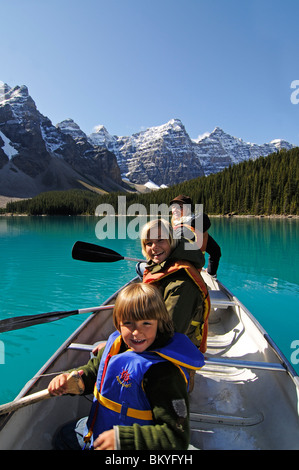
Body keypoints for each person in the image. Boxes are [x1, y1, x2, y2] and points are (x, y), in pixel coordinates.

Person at [48, 282, 205, 450]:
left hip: (135, 444)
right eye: (128, 323)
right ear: (118, 324)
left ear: (159, 323)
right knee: (64, 436)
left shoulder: (164, 373)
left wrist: (122, 439)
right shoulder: (115, 346)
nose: (137, 332)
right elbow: (93, 372)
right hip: (102, 431)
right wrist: (72, 380)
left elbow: (175, 438)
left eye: (146, 323)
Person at [139, 218, 210, 353]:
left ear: (172, 240)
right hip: (150, 340)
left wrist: (122, 344)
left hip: (176, 355)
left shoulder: (182, 284)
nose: (154, 247)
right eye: (149, 243)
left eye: (160, 240)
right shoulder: (162, 267)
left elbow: (168, 335)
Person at [170, 194, 221, 277]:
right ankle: (211, 274)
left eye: (180, 207)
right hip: (190, 271)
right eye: (173, 206)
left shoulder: (187, 228)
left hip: (183, 274)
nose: (175, 210)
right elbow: (216, 251)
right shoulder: (181, 222)